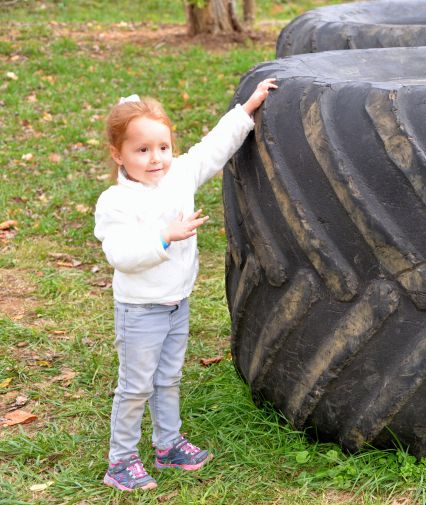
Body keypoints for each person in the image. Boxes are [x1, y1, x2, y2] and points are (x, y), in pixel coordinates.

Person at [94, 77, 278, 492]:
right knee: (136, 385)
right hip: (140, 309)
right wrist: (165, 237)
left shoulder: (178, 176)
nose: (156, 158)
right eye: (142, 150)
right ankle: (120, 461)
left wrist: (247, 110)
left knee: (168, 377)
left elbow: (213, 148)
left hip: (177, 303)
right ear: (117, 154)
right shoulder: (116, 203)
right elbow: (120, 255)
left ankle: (167, 444)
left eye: (163, 147)